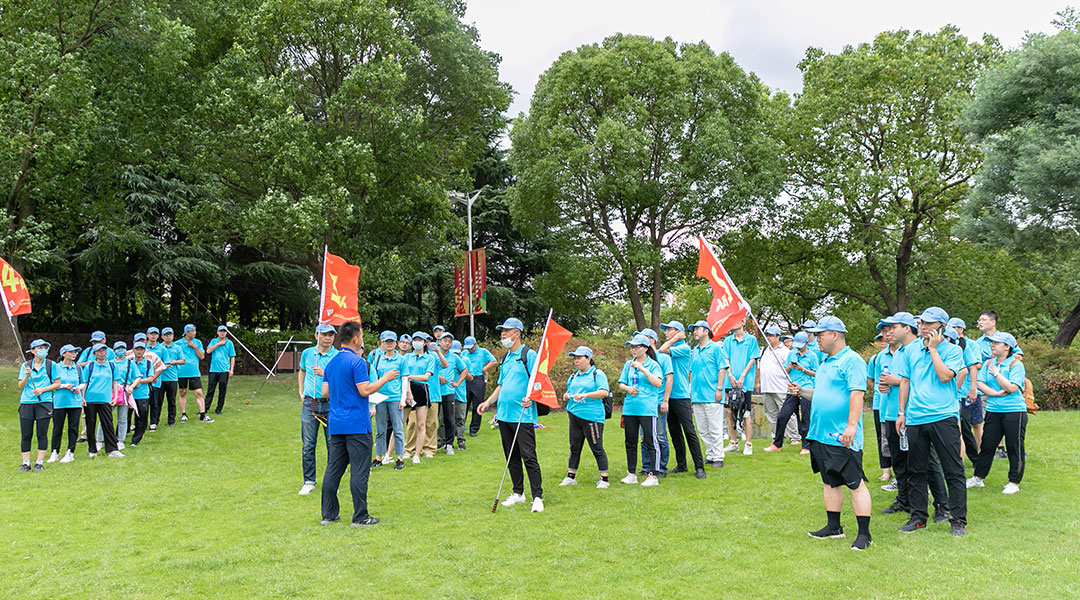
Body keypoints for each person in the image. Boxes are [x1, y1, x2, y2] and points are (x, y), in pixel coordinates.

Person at [787, 316, 873, 551]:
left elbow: (857, 394)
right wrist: (802, 391)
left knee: (854, 483)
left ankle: (864, 534)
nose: (816, 340)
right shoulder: (825, 362)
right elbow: (821, 394)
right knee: (830, 482)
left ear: (834, 334)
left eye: (820, 335)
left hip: (841, 435)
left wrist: (852, 426)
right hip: (820, 434)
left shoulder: (852, 360)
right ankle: (833, 527)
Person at [895, 307, 968, 536]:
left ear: (941, 327)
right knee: (916, 470)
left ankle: (958, 520)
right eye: (922, 322)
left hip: (943, 417)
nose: (924, 326)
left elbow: (945, 376)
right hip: (916, 418)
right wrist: (901, 412)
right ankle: (918, 518)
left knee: (953, 470)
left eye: (930, 323)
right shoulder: (911, 350)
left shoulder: (953, 350)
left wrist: (934, 349)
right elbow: (905, 381)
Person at [319, 321, 399, 527]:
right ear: (355, 339)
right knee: (359, 470)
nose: (362, 338)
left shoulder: (332, 363)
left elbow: (324, 393)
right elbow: (364, 390)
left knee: (333, 469)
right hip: (356, 424)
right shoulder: (357, 362)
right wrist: (386, 379)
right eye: (361, 335)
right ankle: (361, 516)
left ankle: (329, 514)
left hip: (336, 424)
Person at [876, 313, 950, 520]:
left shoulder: (921, 348)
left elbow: (920, 381)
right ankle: (904, 499)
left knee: (927, 463)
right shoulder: (898, 352)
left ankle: (942, 506)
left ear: (907, 328)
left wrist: (896, 381)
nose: (888, 332)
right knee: (899, 462)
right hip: (892, 414)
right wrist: (886, 385)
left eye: (893, 327)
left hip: (915, 416)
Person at [477, 318, 545, 512]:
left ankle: (537, 497)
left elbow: (539, 382)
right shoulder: (505, 357)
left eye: (506, 331)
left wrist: (531, 398)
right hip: (503, 415)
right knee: (511, 456)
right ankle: (518, 493)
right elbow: (501, 384)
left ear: (517, 333)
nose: (503, 335)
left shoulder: (528, 354)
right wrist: (488, 402)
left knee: (529, 456)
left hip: (522, 415)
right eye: (501, 331)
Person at [968, 332, 1028, 494]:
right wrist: (994, 393)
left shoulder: (1015, 364)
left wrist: (996, 374)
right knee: (987, 445)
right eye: (991, 342)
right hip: (993, 410)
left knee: (1014, 446)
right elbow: (980, 383)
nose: (992, 345)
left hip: (1014, 411)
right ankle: (978, 478)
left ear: (1007, 347)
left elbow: (1012, 388)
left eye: (996, 343)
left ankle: (1014, 482)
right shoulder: (988, 363)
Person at [559, 346, 612, 488]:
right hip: (574, 415)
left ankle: (604, 479)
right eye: (574, 358)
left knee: (596, 447)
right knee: (574, 447)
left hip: (592, 417)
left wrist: (585, 395)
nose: (576, 361)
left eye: (579, 358)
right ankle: (571, 477)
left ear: (588, 359)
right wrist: (566, 395)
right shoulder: (573, 376)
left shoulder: (597, 374)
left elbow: (604, 392)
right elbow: (570, 391)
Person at [658, 320, 706, 478]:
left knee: (689, 431)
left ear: (678, 332)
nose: (665, 333)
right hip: (668, 396)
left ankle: (699, 467)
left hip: (681, 395)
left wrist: (675, 338)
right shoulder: (673, 348)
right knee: (674, 432)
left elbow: (662, 348)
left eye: (669, 330)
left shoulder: (683, 348)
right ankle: (681, 464)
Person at [617, 333, 664, 487]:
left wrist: (643, 369)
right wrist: (628, 388)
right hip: (630, 408)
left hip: (647, 408)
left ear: (645, 348)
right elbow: (621, 384)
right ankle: (631, 473)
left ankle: (653, 475)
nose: (633, 350)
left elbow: (657, 383)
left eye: (637, 347)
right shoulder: (628, 364)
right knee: (630, 441)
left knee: (650, 441)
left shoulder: (653, 365)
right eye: (632, 347)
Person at [297, 324, 339, 495]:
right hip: (310, 404)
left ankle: (332, 482)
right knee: (308, 444)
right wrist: (300, 391)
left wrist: (325, 374)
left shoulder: (337, 356)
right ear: (316, 336)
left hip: (330, 404)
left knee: (333, 444)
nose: (328, 337)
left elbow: (341, 379)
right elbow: (302, 371)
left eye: (331, 335)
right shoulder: (308, 354)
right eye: (324, 334)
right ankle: (309, 480)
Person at [766, 331, 819, 454]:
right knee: (783, 415)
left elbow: (816, 373)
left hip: (806, 389)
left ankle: (806, 446)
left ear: (806, 343)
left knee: (806, 419)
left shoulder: (812, 356)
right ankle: (777, 444)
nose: (799, 347)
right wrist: (790, 366)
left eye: (801, 345)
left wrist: (803, 369)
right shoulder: (792, 353)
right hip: (792, 390)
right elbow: (785, 372)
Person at [688, 320, 729, 469]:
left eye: (697, 329)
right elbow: (691, 372)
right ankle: (710, 454)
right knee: (703, 429)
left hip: (712, 394)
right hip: (698, 395)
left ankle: (718, 456)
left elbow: (722, 368)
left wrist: (719, 389)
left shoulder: (715, 348)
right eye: (694, 329)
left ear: (706, 331)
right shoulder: (695, 350)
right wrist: (691, 393)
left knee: (714, 427)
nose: (695, 332)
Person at [17, 339, 58, 472]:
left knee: (42, 433)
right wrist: (27, 376)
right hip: (27, 402)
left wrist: (42, 390)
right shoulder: (26, 365)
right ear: (33, 351)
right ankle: (26, 463)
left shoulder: (51, 365)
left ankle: (39, 463)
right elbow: (20, 386)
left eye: (45, 348)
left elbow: (57, 384)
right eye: (40, 348)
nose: (43, 350)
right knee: (26, 434)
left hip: (44, 402)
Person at [78, 343, 124, 458]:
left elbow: (115, 382)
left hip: (105, 399)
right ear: (94, 354)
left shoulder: (112, 365)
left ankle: (112, 449)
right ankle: (92, 450)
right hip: (90, 399)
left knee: (108, 424)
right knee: (90, 425)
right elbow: (85, 382)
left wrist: (115, 397)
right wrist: (82, 397)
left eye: (103, 351)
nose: (102, 353)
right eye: (99, 351)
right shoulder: (90, 366)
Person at [636, 328, 671, 477]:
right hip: (642, 404)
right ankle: (646, 467)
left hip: (658, 402)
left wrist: (665, 400)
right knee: (645, 437)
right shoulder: (636, 360)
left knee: (660, 435)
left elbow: (669, 379)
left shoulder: (663, 358)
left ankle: (661, 468)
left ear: (651, 340)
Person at [370, 330, 406, 470]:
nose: (389, 344)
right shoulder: (378, 358)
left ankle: (400, 458)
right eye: (387, 342)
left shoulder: (401, 360)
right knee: (380, 429)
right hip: (380, 398)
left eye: (392, 342)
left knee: (397, 429)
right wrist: (373, 402)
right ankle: (378, 457)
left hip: (395, 397)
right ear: (382, 342)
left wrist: (403, 399)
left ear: (395, 343)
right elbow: (374, 379)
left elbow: (404, 379)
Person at [723, 318, 759, 455]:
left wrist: (743, 375)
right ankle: (733, 442)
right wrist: (730, 374)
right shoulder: (727, 341)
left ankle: (748, 443)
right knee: (729, 412)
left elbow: (753, 358)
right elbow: (725, 358)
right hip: (730, 382)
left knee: (746, 413)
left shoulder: (751, 340)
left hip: (746, 383)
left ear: (743, 322)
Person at [758, 325, 795, 447]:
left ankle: (794, 437)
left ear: (778, 337)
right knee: (771, 414)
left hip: (781, 387)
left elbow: (790, 367)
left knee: (787, 413)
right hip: (766, 387)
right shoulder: (764, 350)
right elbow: (760, 368)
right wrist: (758, 382)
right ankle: (778, 437)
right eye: (767, 335)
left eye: (771, 336)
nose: (768, 338)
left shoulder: (785, 351)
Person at [403, 332, 437, 463]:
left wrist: (409, 377)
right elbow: (403, 373)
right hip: (408, 390)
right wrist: (407, 379)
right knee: (406, 423)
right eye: (415, 340)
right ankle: (405, 451)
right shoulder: (407, 357)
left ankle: (417, 454)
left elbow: (426, 377)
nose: (417, 342)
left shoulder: (430, 358)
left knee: (421, 424)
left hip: (422, 390)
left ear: (424, 342)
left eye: (420, 340)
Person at [864, 329, 893, 480]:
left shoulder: (900, 354)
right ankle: (886, 470)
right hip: (879, 402)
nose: (882, 343)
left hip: (893, 402)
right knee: (882, 438)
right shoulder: (876, 359)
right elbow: (870, 379)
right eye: (880, 341)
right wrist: (877, 390)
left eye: (884, 340)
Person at [47, 344, 82, 464]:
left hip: (75, 402)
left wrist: (78, 388)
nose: (74, 354)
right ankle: (54, 452)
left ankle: (70, 452)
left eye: (75, 352)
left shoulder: (78, 368)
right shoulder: (55, 367)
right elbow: (52, 383)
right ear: (63, 354)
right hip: (59, 402)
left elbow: (83, 382)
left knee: (73, 428)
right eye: (71, 352)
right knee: (57, 428)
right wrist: (63, 386)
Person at [436, 332, 470, 454]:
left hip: (449, 392)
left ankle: (449, 444)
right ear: (439, 342)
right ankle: (434, 443)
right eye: (445, 340)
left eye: (450, 341)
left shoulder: (454, 357)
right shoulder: (432, 355)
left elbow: (464, 370)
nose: (448, 343)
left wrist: (457, 383)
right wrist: (438, 377)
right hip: (435, 392)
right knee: (433, 420)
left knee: (449, 419)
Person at [462, 336, 496, 438]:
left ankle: (474, 429)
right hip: (466, 379)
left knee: (478, 404)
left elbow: (493, 361)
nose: (469, 350)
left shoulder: (483, 352)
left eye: (471, 347)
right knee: (464, 404)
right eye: (467, 348)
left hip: (478, 379)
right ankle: (460, 427)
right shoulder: (464, 353)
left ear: (475, 345)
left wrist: (484, 369)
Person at [176, 324, 211, 422]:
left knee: (198, 392)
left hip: (194, 372)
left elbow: (202, 356)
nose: (194, 332)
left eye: (195, 330)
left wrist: (195, 347)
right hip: (181, 372)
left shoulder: (198, 342)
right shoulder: (178, 343)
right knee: (182, 392)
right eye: (192, 331)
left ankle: (203, 415)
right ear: (186, 332)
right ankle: (183, 414)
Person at [126, 341, 158, 446]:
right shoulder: (128, 362)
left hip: (143, 393)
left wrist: (138, 381)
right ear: (133, 350)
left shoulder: (148, 363)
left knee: (142, 416)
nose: (139, 352)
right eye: (137, 349)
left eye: (141, 349)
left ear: (144, 351)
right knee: (125, 416)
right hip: (129, 393)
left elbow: (151, 378)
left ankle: (136, 439)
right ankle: (121, 436)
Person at [205, 325, 236, 415]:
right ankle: (205, 409)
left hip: (224, 370)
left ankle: (219, 409)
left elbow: (232, 357)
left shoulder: (229, 343)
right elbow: (208, 351)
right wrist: (218, 344)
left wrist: (231, 369)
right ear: (217, 332)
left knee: (222, 390)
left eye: (224, 331)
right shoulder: (213, 341)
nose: (222, 333)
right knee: (210, 390)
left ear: (226, 333)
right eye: (221, 331)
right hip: (213, 370)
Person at [157, 327, 183, 426]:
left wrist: (174, 362)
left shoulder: (177, 347)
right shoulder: (158, 347)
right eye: (166, 335)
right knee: (158, 401)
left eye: (170, 334)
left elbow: (183, 361)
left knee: (171, 401)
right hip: (160, 377)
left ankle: (171, 420)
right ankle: (155, 421)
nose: (168, 337)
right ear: (162, 336)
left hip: (172, 377)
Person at [109, 341, 132, 449]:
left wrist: (131, 386)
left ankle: (120, 440)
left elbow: (137, 377)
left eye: (123, 348)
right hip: (110, 393)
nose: (121, 350)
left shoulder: (129, 363)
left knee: (122, 418)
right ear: (114, 351)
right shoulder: (109, 363)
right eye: (118, 348)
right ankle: (101, 439)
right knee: (106, 417)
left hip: (123, 393)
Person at [144, 327, 167, 430]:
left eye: (155, 334)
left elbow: (165, 364)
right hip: (143, 381)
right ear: (147, 335)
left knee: (154, 402)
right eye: (151, 334)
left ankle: (153, 422)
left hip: (156, 381)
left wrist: (154, 377)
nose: (153, 336)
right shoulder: (141, 347)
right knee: (142, 403)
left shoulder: (162, 349)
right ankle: (140, 423)